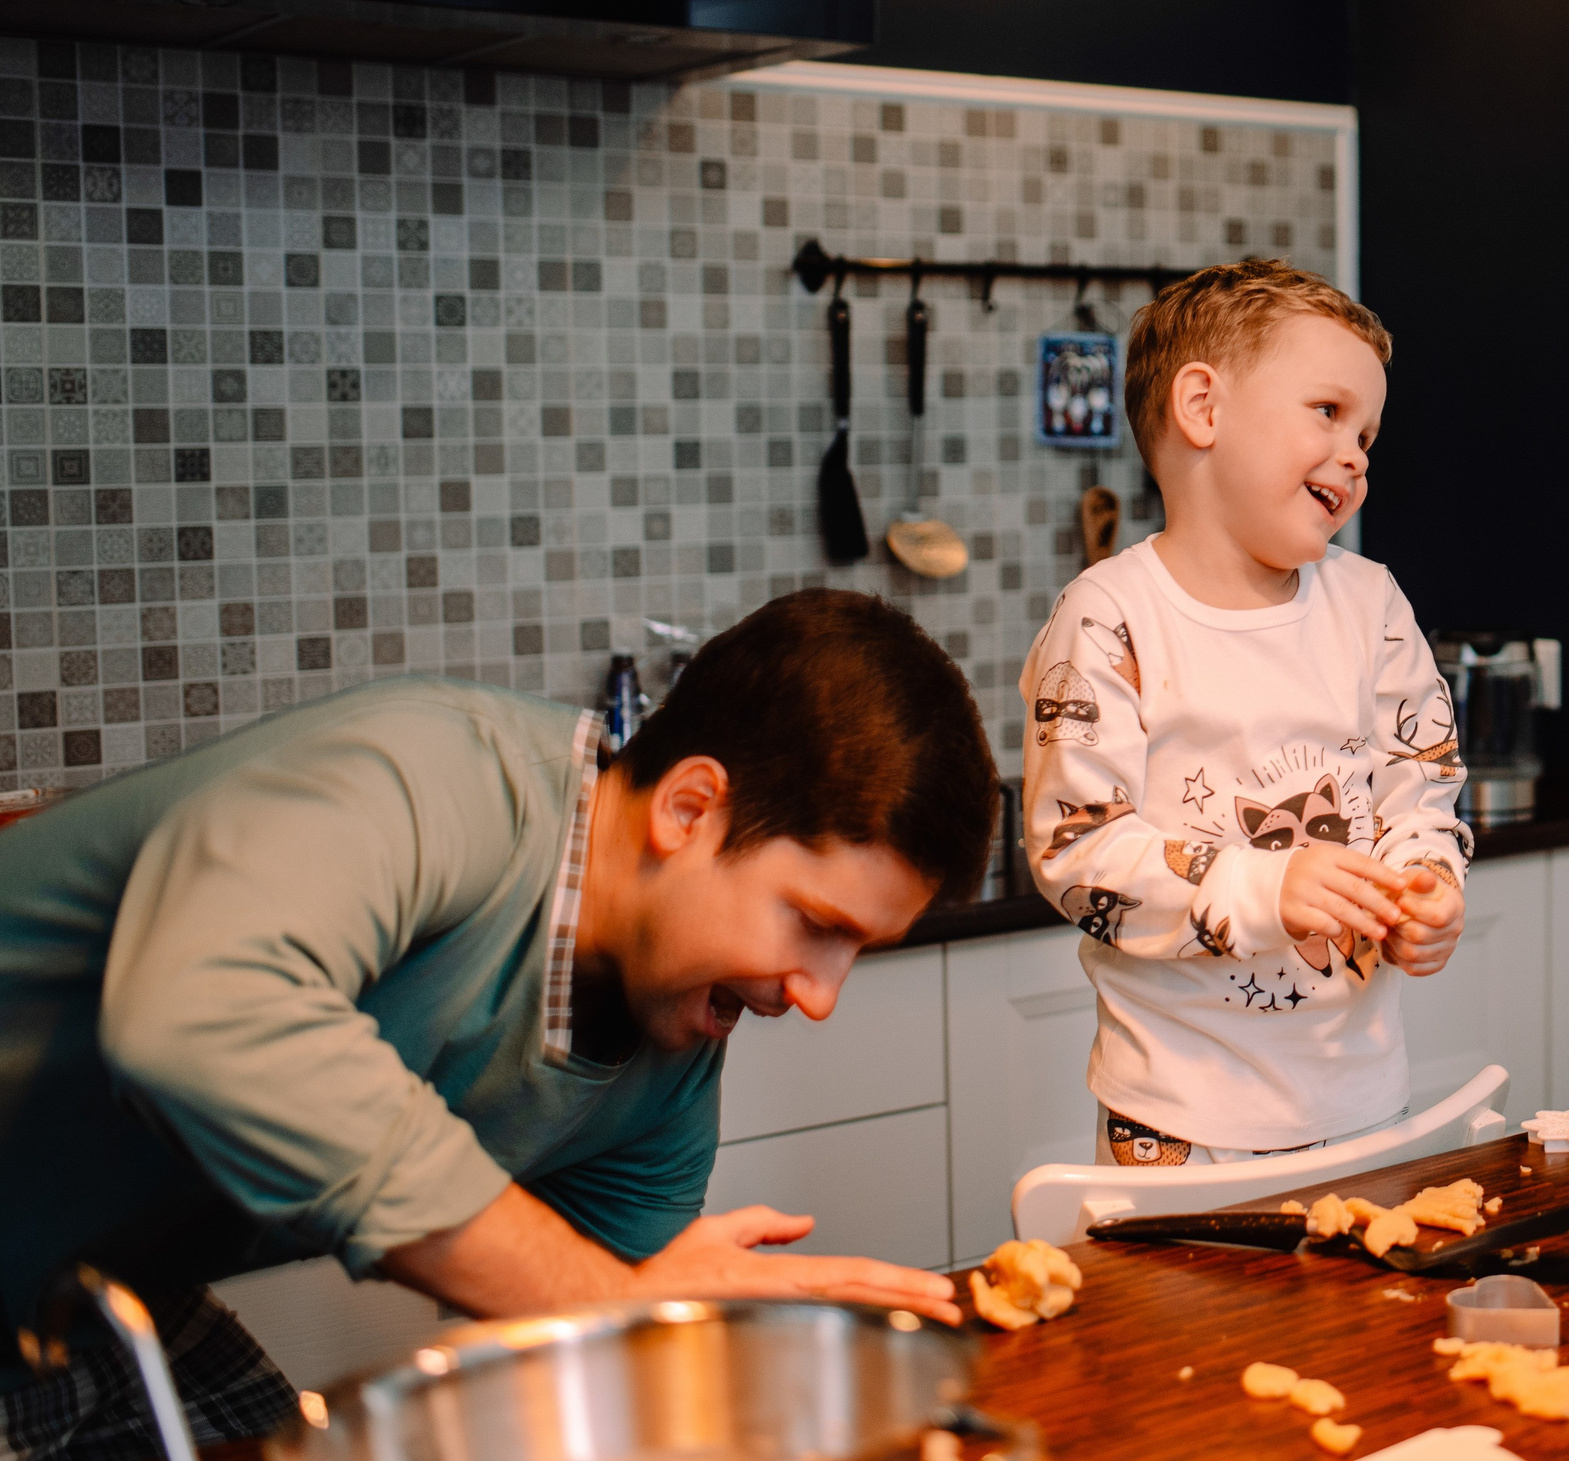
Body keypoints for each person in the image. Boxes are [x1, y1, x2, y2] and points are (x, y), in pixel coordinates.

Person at [0, 589, 996, 1459]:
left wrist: (671, 1336)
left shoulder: (668, 1061)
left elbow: (595, 1364)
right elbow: (198, 1012)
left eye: (858, 949)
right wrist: (603, 1301)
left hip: (92, 1304)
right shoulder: (428, 775)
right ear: (690, 809)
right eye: (815, 924)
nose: (820, 997)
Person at [1017, 259, 1470, 1166]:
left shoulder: (1372, 604)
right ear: (1203, 408)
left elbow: (1421, 786)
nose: (1357, 455)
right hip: (1180, 1118)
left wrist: (1429, 881)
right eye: (1328, 411)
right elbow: (1079, 852)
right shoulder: (1109, 618)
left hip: (1364, 1101)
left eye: (1367, 435)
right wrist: (1266, 887)